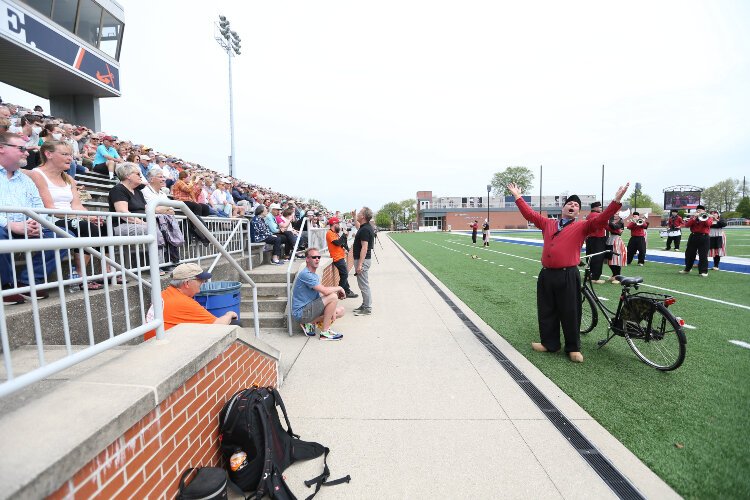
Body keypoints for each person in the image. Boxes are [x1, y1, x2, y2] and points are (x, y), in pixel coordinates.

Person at [507, 181, 629, 363]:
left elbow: (602, 219)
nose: (573, 206)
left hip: (568, 274)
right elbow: (530, 214)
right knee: (546, 310)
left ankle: (573, 348)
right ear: (563, 207)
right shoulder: (548, 223)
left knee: (571, 311)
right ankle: (550, 344)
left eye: (576, 205)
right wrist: (517, 196)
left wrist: (616, 200)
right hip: (547, 274)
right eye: (570, 204)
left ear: (578, 212)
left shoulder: (583, 226)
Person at [1, 132, 72, 303]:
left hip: (26, 225)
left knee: (63, 236)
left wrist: (36, 222)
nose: (27, 153)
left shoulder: (25, 179)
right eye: (22, 149)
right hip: (4, 227)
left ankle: (29, 281)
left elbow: (38, 206)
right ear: (1, 149)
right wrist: (10, 224)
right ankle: (7, 285)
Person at [29, 140, 106, 290]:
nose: (70, 158)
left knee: (98, 226)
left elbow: (77, 205)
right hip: (50, 218)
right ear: (48, 154)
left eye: (70, 155)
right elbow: (49, 207)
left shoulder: (68, 178)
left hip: (70, 217)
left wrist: (90, 216)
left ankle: (87, 273)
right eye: (64, 154)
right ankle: (78, 275)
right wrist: (81, 218)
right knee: (86, 227)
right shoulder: (37, 174)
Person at [144, 263, 238, 341]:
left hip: (154, 343)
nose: (203, 282)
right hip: (165, 348)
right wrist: (229, 314)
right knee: (235, 324)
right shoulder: (183, 302)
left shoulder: (164, 294)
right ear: (187, 283)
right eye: (200, 280)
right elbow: (219, 325)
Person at [291, 248, 345, 340]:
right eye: (314, 257)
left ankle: (310, 323)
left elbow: (320, 296)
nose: (317, 259)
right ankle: (325, 332)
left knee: (340, 311)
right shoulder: (306, 274)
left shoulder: (314, 275)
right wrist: (339, 287)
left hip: (309, 309)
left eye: (319, 257)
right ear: (307, 259)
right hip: (301, 313)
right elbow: (325, 291)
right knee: (333, 296)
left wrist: (331, 310)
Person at [326, 216, 358, 299]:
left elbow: (342, 243)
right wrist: (344, 234)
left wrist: (345, 240)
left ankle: (347, 291)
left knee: (343, 274)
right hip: (337, 258)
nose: (339, 226)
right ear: (334, 224)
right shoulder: (329, 233)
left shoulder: (335, 233)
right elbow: (337, 243)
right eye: (338, 224)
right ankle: (340, 291)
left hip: (340, 256)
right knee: (344, 274)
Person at [353, 207, 375, 316]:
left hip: (363, 260)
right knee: (362, 284)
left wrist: (360, 264)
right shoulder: (364, 228)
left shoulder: (366, 229)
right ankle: (365, 304)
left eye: (359, 213)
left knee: (364, 285)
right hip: (362, 260)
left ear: (363, 216)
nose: (358, 214)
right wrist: (353, 217)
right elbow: (358, 229)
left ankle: (367, 308)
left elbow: (364, 248)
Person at [679, 205, 714, 277]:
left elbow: (708, 224)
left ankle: (703, 271)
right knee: (689, 254)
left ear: (704, 211)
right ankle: (687, 269)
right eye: (698, 210)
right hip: (693, 236)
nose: (699, 211)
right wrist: (694, 218)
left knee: (703, 255)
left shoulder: (708, 217)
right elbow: (687, 225)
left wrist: (703, 217)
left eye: (700, 210)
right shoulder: (693, 217)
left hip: (704, 237)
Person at [585, 201, 607, 283]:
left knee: (590, 256)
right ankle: (595, 277)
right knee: (598, 257)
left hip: (590, 239)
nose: (601, 209)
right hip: (598, 238)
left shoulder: (588, 216)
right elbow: (606, 225)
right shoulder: (598, 215)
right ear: (595, 208)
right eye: (600, 207)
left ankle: (589, 274)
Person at [605, 213, 627, 283]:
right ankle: (614, 274)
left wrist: (607, 221)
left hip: (616, 240)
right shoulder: (613, 221)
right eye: (615, 214)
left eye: (617, 214)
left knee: (616, 259)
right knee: (610, 258)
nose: (615, 215)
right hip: (611, 239)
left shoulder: (621, 222)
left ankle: (617, 275)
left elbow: (615, 227)